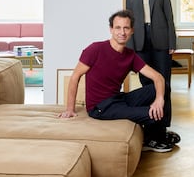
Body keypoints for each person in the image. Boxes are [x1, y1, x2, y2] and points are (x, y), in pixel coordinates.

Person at [59, 9, 179, 152]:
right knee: (152, 113)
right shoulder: (95, 49)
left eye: (126, 28)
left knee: (162, 87)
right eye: (118, 28)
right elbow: (75, 77)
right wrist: (69, 109)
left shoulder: (130, 55)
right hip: (100, 107)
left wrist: (159, 99)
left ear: (132, 31)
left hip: (118, 99)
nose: (122, 32)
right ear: (111, 29)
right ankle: (151, 140)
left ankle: (158, 134)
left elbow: (158, 77)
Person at [126, 0, 176, 91]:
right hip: (139, 39)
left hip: (161, 38)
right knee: (145, 77)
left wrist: (172, 43)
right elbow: (128, 20)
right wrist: (129, 45)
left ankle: (164, 110)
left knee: (163, 76)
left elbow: (169, 18)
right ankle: (150, 109)